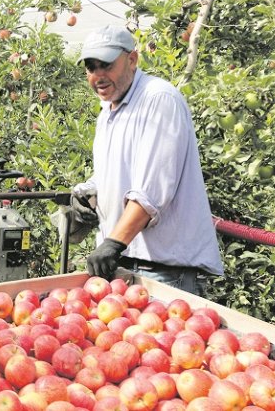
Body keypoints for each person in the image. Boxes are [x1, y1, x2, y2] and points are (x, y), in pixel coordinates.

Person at [69, 25, 224, 295]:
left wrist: (113, 242)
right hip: (127, 261)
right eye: (91, 68)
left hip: (165, 270)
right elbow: (116, 175)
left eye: (105, 65)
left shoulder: (159, 100)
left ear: (132, 59)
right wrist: (87, 194)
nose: (98, 76)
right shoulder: (108, 111)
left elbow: (151, 191)